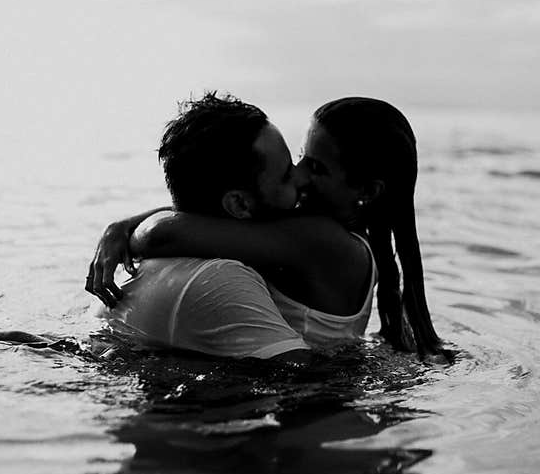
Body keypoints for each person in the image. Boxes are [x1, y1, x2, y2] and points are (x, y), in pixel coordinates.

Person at [89, 96, 445, 360]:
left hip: (307, 400)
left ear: (366, 191)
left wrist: (126, 230)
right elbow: (213, 217)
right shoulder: (311, 232)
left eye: (317, 169)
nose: (300, 174)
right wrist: (120, 226)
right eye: (302, 157)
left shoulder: (322, 241)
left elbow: (165, 233)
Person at [87, 92, 313, 362]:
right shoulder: (222, 278)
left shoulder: (139, 266)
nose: (302, 177)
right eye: (286, 174)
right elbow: (300, 375)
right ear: (239, 204)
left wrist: (121, 227)